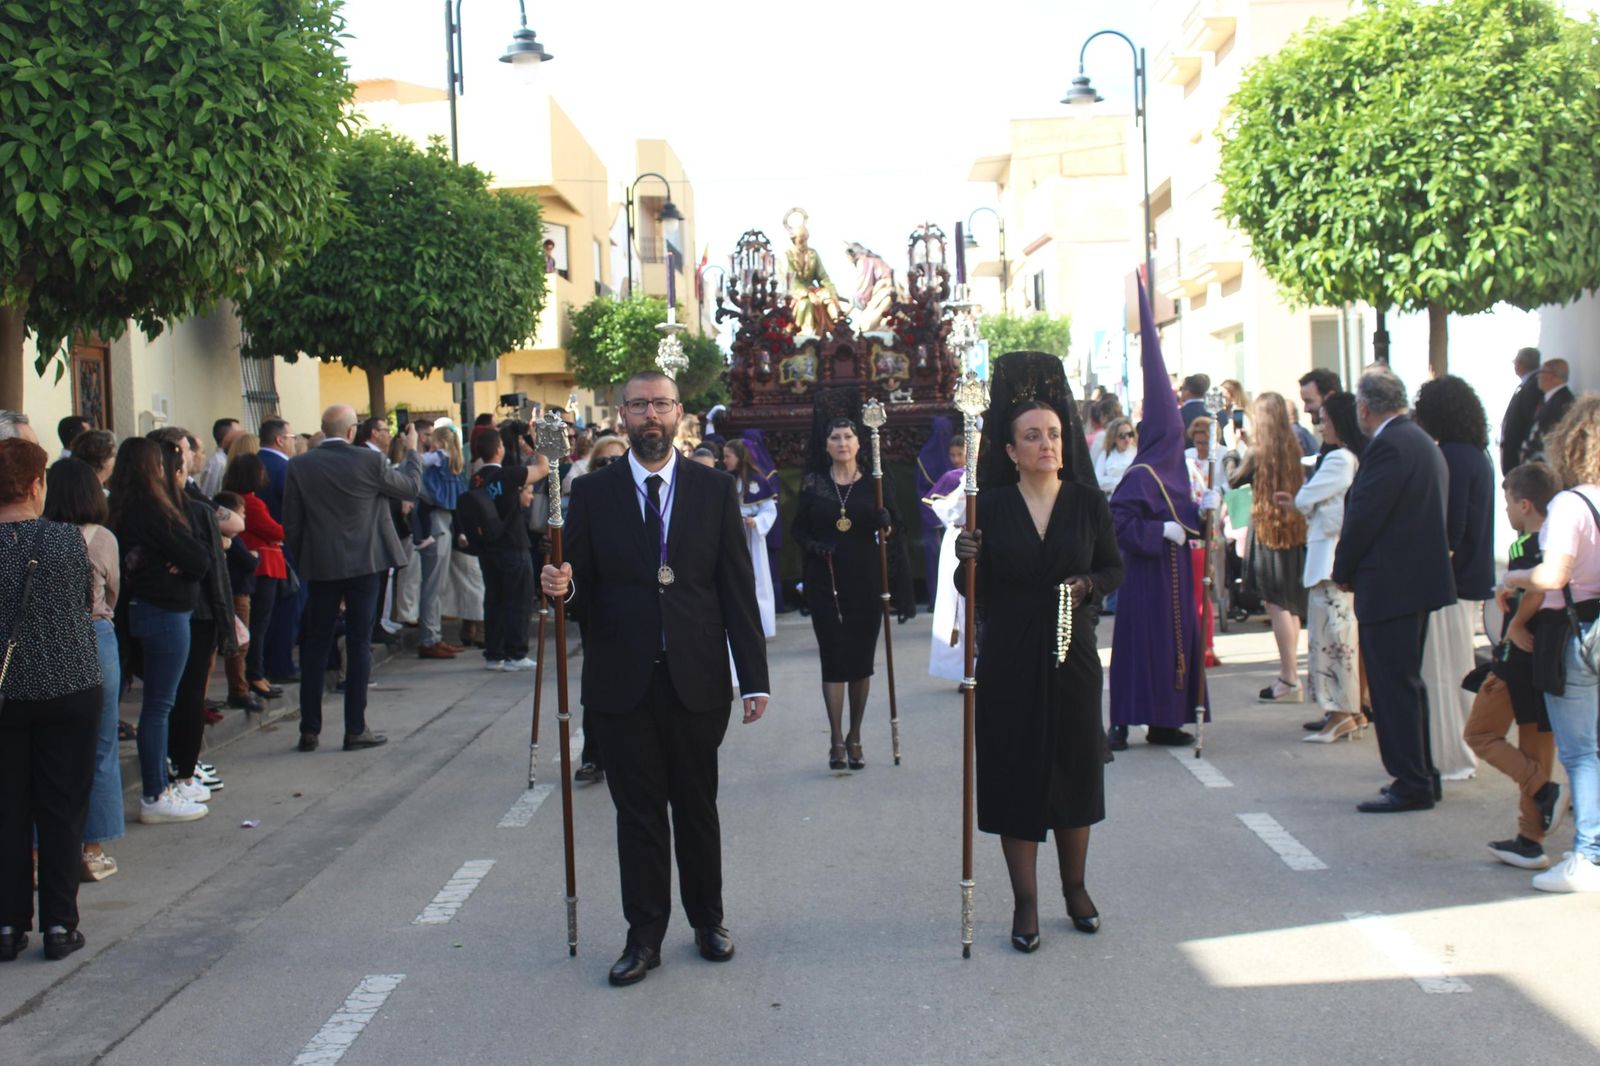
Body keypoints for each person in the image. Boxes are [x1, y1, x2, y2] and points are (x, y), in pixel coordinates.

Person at [539, 369, 770, 987]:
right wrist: (562, 589)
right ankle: (643, 937)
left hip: (696, 677)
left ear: (679, 414)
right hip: (622, 681)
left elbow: (734, 589)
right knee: (637, 814)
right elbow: (579, 590)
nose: (650, 416)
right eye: (639, 405)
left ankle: (708, 921)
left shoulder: (714, 488)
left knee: (696, 807)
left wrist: (753, 678)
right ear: (621, 415)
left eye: (661, 405)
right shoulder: (591, 493)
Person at [953, 352, 1124, 952]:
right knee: (1013, 773)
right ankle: (1025, 903)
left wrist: (1087, 586)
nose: (1047, 444)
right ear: (1009, 450)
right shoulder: (989, 508)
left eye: (1054, 434)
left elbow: (1112, 567)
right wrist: (965, 558)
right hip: (1008, 660)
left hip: (1072, 655)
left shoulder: (1086, 502)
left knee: (1075, 769)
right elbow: (968, 590)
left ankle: (1074, 887)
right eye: (1033, 436)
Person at [1331, 366, 1456, 812]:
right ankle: (1421, 774)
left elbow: (1365, 515)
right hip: (1412, 581)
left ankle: (1412, 780)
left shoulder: (1391, 447)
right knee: (1405, 683)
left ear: (1365, 408)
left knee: (1393, 686)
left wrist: (1342, 567)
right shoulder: (1419, 441)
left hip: (1393, 583)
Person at [0, 438, 104, 961]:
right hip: (68, 688)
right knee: (62, 809)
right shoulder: (65, 540)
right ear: (37, 484)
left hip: (4, 694)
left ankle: (7, 924)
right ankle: (60, 925)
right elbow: (85, 603)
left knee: (7, 809)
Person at [283, 405, 421, 753]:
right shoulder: (369, 461)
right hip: (365, 562)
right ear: (350, 432)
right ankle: (355, 728)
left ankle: (309, 728)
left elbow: (293, 522)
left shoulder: (299, 465)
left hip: (321, 564)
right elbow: (410, 488)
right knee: (359, 644)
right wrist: (414, 450)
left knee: (315, 645)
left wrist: (304, 562)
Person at [1504, 396, 1600, 891]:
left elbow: (1553, 573)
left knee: (1581, 752)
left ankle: (1590, 856)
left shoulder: (1571, 503)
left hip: (1577, 634)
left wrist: (1517, 576)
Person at [1108, 287, 1209, 750]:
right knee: (1140, 649)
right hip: (1146, 580)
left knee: (1175, 648)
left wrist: (1200, 517)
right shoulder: (1141, 474)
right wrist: (1158, 532)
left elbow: (1187, 521)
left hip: (1175, 579)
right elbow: (1120, 525)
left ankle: (1167, 721)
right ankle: (1124, 721)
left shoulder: (1175, 473)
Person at [790, 396, 913, 772]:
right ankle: (834, 739)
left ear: (859, 443)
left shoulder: (875, 481)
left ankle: (855, 735)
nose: (843, 443)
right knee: (834, 657)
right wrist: (814, 545)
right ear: (825, 445)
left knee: (861, 661)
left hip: (864, 577)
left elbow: (895, 526)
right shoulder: (814, 482)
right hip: (825, 577)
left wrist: (885, 521)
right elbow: (798, 527)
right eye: (836, 438)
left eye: (848, 437)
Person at [105, 438, 211, 822]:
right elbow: (199, 558)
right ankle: (155, 792)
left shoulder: (121, 506)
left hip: (148, 609)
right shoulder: (150, 509)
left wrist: (178, 560)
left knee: (159, 704)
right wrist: (179, 561)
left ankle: (159, 787)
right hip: (163, 611)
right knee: (160, 706)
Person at [1469, 462, 1562, 870]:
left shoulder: (1525, 546)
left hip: (1515, 661)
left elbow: (1538, 590)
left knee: (1480, 734)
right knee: (1536, 744)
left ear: (1525, 505)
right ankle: (1530, 839)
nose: (1504, 510)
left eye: (1507, 502)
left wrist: (1517, 625)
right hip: (1549, 659)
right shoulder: (1563, 540)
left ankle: (1544, 792)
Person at [42, 459, 124, 880]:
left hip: (46, 638)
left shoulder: (34, 538)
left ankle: (40, 851)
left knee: (46, 747)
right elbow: (112, 592)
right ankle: (92, 848)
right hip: (95, 635)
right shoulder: (103, 537)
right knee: (101, 745)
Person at [1413, 375, 1497, 781]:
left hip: (1450, 582)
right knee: (1454, 669)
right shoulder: (1475, 453)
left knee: (1443, 673)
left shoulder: (1453, 456)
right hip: (1466, 581)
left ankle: (1451, 758)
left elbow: (1452, 527)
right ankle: (1458, 753)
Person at [1276, 392, 1364, 741]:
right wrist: (1310, 505)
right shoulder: (1340, 458)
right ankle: (1344, 710)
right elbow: (1311, 502)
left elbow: (1308, 498)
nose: (1321, 426)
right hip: (1325, 557)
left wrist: (1309, 504)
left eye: (1326, 420)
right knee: (1334, 640)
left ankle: (1342, 710)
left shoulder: (1341, 458)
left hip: (1329, 561)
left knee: (1334, 642)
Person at [1238, 393, 1310, 703]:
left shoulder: (1257, 451)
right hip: (1293, 528)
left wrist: (1235, 451)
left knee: (1276, 604)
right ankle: (1291, 673)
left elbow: (1233, 479)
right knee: (1290, 605)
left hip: (1267, 530)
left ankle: (1289, 676)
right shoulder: (1295, 447)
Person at [459, 431, 537, 671]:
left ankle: (494, 653)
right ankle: (516, 653)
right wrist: (539, 440)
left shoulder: (476, 479)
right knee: (518, 600)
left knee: (494, 600)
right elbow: (542, 468)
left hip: (488, 548)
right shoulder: (507, 475)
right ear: (499, 449)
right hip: (513, 545)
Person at [223, 453, 287, 703]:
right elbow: (274, 530)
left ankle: (255, 674)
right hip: (263, 564)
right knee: (259, 624)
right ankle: (255, 674)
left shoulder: (237, 500)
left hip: (255, 563)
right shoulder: (252, 503)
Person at [257, 417, 301, 683]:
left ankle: (265, 663)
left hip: (259, 549)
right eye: (292, 437)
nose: (295, 443)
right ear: (280, 440)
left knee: (266, 613)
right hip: (283, 547)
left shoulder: (254, 462)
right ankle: (281, 665)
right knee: (288, 607)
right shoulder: (286, 469)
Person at [417, 423, 467, 659]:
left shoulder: (437, 458)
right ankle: (430, 637)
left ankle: (432, 636)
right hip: (444, 520)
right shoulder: (455, 462)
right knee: (434, 585)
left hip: (437, 519)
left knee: (433, 584)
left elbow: (416, 463)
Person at [723, 439, 778, 640]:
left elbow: (769, 509)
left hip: (751, 536)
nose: (724, 460)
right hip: (731, 535)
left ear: (739, 457)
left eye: (727, 456)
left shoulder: (757, 480)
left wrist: (757, 521)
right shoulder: (725, 479)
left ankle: (762, 625)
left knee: (758, 579)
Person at [1184, 416, 1227, 667]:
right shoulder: (1186, 458)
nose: (1199, 447)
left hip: (1208, 532)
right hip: (1190, 534)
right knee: (1193, 594)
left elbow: (1226, 487)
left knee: (1203, 592)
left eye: (1204, 442)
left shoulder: (1222, 456)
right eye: (1197, 442)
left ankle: (1207, 647)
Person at [916, 417, 956, 608]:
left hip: (956, 520)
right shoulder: (925, 457)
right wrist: (935, 515)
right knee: (935, 559)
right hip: (933, 518)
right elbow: (922, 491)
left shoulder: (955, 455)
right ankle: (937, 600)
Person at [1521, 358, 1575, 466]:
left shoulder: (1563, 402)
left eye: (1542, 372)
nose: (1538, 376)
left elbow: (1550, 438)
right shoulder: (1550, 399)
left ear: (1555, 377)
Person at [1499, 347, 1543, 476]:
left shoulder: (1533, 386)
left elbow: (1526, 420)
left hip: (1519, 457)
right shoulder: (1527, 384)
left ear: (1521, 363)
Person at [199, 418, 242, 497]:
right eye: (238, 435)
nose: (241, 439)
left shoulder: (227, 459)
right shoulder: (218, 463)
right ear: (227, 438)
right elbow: (208, 495)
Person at [1095, 417, 1137, 494]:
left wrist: (1110, 480)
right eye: (1122, 435)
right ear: (1113, 438)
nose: (1127, 439)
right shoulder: (1105, 454)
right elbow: (1098, 481)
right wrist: (1123, 480)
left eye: (1130, 434)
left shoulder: (1137, 453)